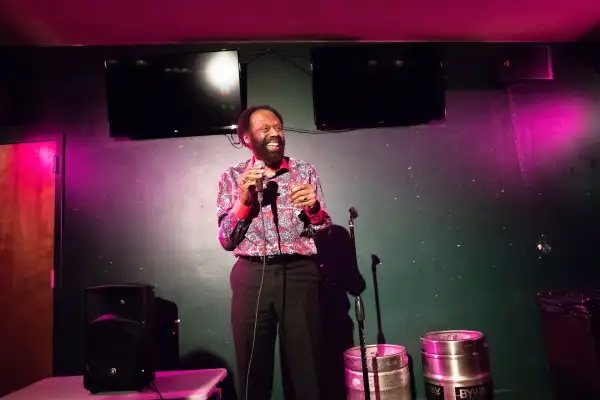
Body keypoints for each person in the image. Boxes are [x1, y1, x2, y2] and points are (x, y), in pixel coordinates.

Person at [217, 105, 332, 399]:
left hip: (299, 274)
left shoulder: (303, 171)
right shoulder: (232, 178)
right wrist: (244, 200)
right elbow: (226, 239)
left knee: (308, 369)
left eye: (278, 127)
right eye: (265, 128)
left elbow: (324, 231)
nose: (275, 133)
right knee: (253, 368)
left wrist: (315, 210)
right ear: (246, 138)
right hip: (251, 275)